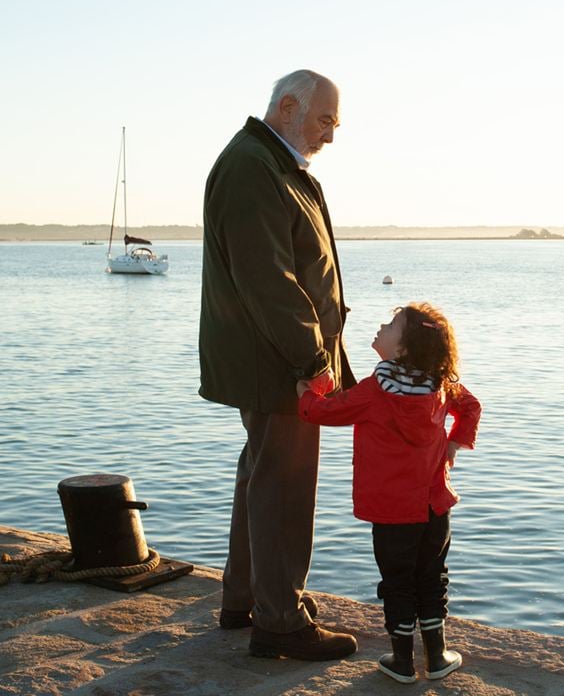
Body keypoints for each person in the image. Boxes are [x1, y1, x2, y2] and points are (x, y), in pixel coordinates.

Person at [198, 69, 357, 661]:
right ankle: (280, 622)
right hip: (279, 362)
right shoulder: (253, 167)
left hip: (270, 356)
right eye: (325, 121)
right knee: (284, 486)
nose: (330, 137)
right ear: (288, 107)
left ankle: (248, 600)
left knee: (261, 476)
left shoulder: (270, 164)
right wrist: (314, 361)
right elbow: (270, 280)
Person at [297, 302, 482, 683]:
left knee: (396, 581)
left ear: (401, 350)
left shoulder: (373, 392)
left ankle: (402, 661)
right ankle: (436, 656)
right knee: (432, 576)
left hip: (393, 511)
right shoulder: (441, 384)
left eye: (392, 324)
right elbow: (472, 406)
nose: (382, 325)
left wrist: (310, 389)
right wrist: (454, 442)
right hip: (435, 506)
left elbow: (321, 412)